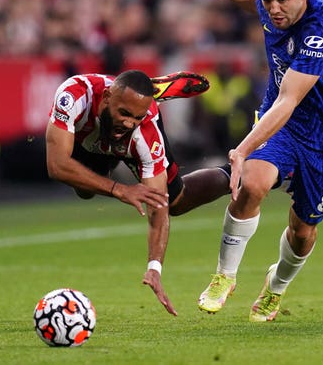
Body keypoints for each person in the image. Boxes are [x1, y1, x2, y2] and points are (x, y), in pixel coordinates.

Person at [184, 0, 323, 322]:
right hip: (281, 126)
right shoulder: (270, 7)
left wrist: (241, 147)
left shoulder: (322, 28)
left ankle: (275, 287)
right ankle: (224, 276)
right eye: (268, 0)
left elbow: (290, 99)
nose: (273, 8)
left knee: (302, 232)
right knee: (252, 182)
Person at [45, 70, 230, 316]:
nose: (129, 122)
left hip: (127, 144)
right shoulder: (75, 95)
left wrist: (155, 267)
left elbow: (158, 204)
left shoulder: (145, 129)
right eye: (125, 112)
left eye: (136, 116)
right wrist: (118, 189)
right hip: (87, 137)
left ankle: (236, 174)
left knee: (175, 202)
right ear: (108, 97)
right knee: (85, 191)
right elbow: (56, 165)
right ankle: (146, 91)